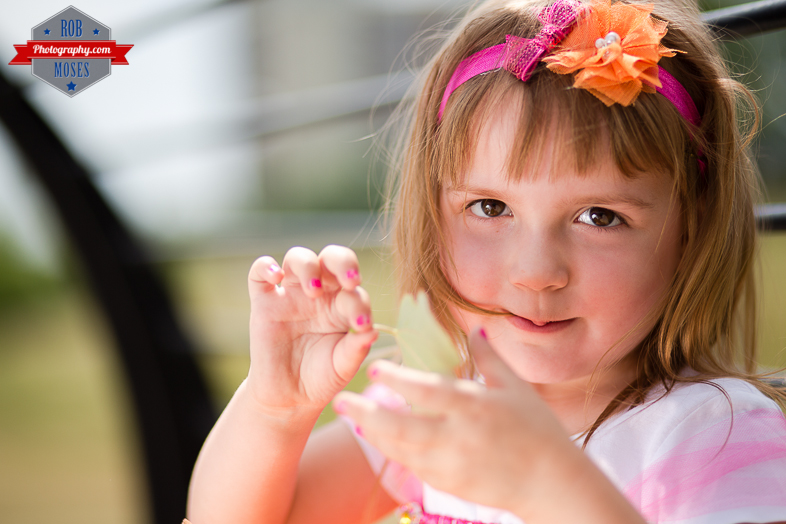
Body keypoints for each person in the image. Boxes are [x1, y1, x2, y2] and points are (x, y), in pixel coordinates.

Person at [186, 0, 786, 522]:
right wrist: (274, 409)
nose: (535, 270)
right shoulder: (443, 406)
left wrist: (550, 487)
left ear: (692, 233)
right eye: (490, 206)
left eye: (600, 216)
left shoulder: (713, 432)